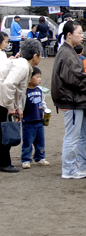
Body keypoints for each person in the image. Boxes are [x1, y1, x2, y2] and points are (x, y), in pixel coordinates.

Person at [52, 22, 86, 179]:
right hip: (70, 100)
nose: (82, 35)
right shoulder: (67, 53)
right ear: (69, 35)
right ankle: (69, 169)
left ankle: (83, 163)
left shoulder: (68, 51)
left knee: (84, 133)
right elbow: (77, 78)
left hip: (75, 100)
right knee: (72, 136)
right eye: (79, 32)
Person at [0, 39, 43, 173]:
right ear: (35, 56)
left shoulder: (24, 65)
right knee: (4, 132)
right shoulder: (23, 66)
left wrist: (18, 107)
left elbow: (19, 90)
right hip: (2, 100)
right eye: (40, 55)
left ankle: (4, 162)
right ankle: (4, 163)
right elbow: (8, 85)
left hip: (3, 98)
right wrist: (10, 106)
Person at [20, 66, 50, 169]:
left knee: (40, 141)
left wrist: (46, 110)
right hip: (28, 121)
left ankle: (40, 157)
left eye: (40, 77)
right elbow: (21, 105)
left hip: (39, 120)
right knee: (27, 142)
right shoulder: (24, 92)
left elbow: (43, 102)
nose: (39, 79)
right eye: (37, 77)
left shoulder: (40, 90)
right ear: (29, 79)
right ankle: (25, 160)